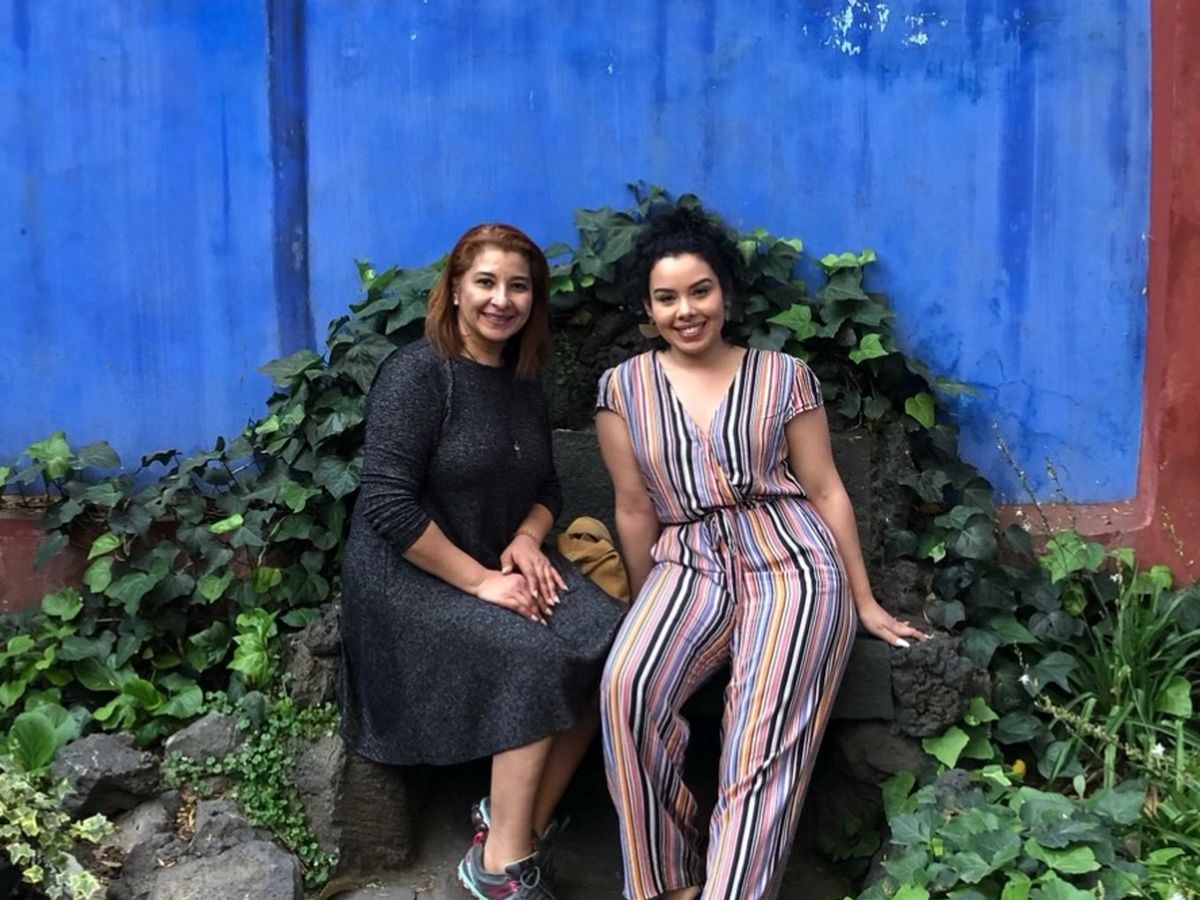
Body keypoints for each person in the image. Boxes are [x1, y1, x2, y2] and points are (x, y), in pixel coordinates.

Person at [595, 205, 927, 900]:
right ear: (648, 308)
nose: (686, 311)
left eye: (700, 291)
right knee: (627, 686)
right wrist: (642, 606)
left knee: (761, 735)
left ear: (725, 292)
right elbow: (633, 507)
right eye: (666, 298)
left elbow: (826, 489)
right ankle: (667, 881)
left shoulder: (783, 375)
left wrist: (863, 599)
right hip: (687, 560)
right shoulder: (623, 390)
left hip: (792, 561)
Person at [338, 222, 626, 900]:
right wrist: (481, 584)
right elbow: (387, 503)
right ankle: (501, 872)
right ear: (455, 290)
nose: (502, 299)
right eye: (486, 282)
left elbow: (547, 488)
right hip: (407, 578)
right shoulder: (417, 373)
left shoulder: (522, 382)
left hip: (497, 559)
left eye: (518, 286)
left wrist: (527, 537)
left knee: (614, 644)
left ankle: (510, 827)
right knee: (533, 656)